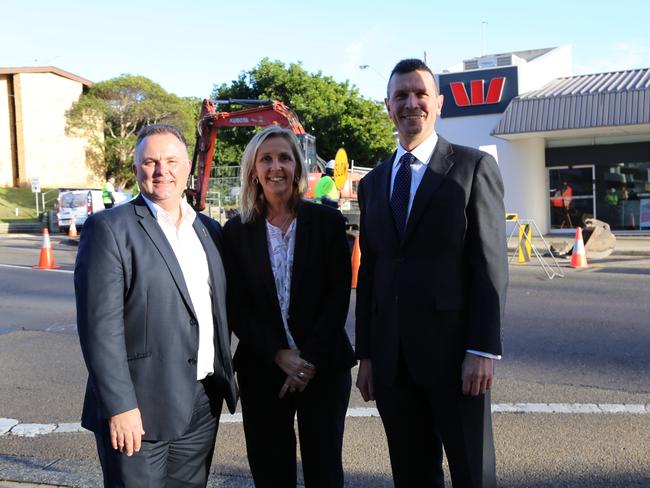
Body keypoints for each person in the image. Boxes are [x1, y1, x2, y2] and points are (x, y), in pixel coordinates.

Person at [355, 59, 508, 488]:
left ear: (438, 103)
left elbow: (489, 264)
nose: (411, 103)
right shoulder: (373, 183)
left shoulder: (473, 168)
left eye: (420, 93)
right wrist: (366, 354)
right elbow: (372, 272)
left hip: (457, 360)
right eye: (401, 95)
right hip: (392, 364)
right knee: (412, 475)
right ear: (388, 106)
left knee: (472, 474)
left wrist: (482, 348)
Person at [75, 124, 237, 488]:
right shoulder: (109, 229)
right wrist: (120, 406)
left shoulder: (209, 229)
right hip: (139, 409)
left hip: (200, 404)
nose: (162, 171)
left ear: (187, 169)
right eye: (150, 162)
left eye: (171, 161)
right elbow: (100, 329)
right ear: (135, 170)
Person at [223, 126, 355, 487]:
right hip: (263, 369)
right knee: (270, 471)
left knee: (324, 471)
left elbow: (337, 297)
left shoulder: (327, 223)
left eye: (284, 158)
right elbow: (235, 305)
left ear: (297, 167)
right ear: (253, 169)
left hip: (324, 368)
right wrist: (279, 354)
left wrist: (306, 359)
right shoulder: (235, 232)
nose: (275, 166)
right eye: (266, 159)